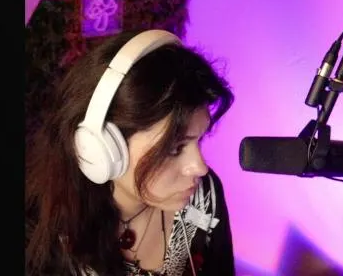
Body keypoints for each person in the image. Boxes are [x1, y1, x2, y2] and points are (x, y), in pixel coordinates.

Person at [25, 29, 236, 276]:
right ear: (100, 148)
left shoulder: (205, 194)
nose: (200, 167)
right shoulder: (41, 229)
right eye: (175, 148)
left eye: (199, 140)